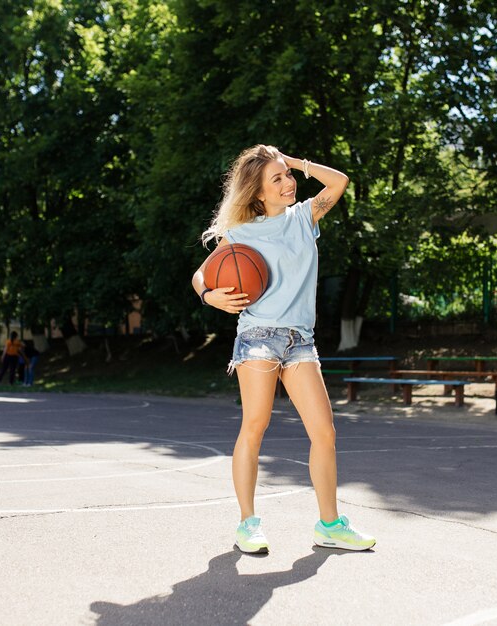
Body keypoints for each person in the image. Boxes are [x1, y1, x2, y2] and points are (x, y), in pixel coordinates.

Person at [192, 145, 375, 553]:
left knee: (324, 432)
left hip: (300, 341)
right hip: (257, 335)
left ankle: (329, 524)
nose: (287, 183)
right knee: (255, 426)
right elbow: (200, 274)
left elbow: (339, 181)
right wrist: (209, 296)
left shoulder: (304, 217)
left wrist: (292, 162)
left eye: (287, 177)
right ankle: (247, 524)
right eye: (276, 179)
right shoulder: (241, 234)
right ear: (257, 193)